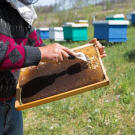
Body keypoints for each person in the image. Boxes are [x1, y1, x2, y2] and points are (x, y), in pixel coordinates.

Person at [0, 0, 106, 135]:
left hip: (12, 104)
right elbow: (40, 53)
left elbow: (44, 53)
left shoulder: (20, 13)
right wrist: (42, 53)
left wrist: (84, 55)